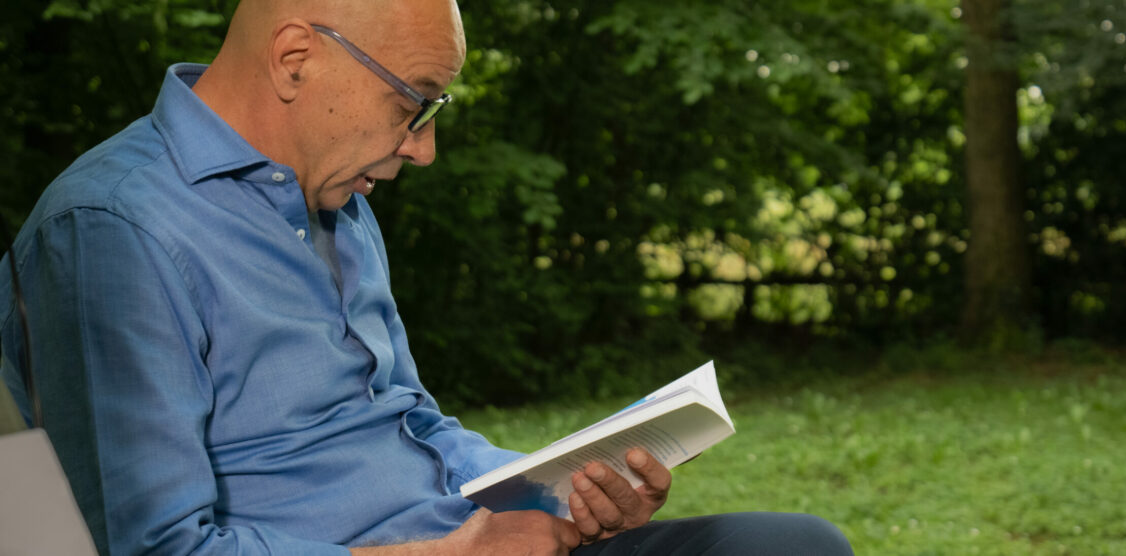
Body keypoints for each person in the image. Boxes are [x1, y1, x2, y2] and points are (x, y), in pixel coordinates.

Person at [0, 0, 854, 554]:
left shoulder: (339, 202)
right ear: (296, 57)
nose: (423, 146)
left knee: (792, 546)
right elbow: (153, 548)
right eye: (414, 101)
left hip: (468, 537)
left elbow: (410, 422)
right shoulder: (110, 230)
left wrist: (561, 489)